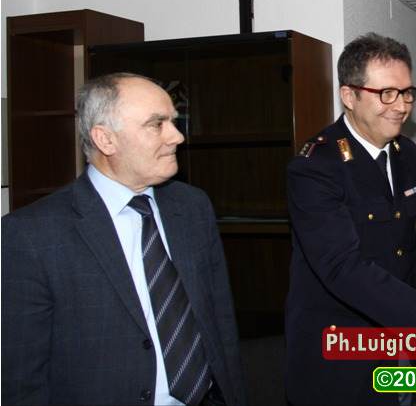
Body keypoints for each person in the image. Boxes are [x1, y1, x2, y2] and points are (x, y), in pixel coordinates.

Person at [2, 73, 246, 406]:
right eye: (156, 124)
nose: (177, 136)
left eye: (173, 121)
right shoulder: (31, 235)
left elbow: (220, 322)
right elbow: (20, 379)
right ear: (106, 140)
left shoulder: (192, 206)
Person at [285, 33, 416, 405]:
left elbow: (411, 250)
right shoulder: (316, 167)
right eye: (387, 93)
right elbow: (342, 267)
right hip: (343, 357)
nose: (401, 106)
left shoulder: (409, 155)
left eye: (407, 92)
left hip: (404, 345)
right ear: (349, 96)